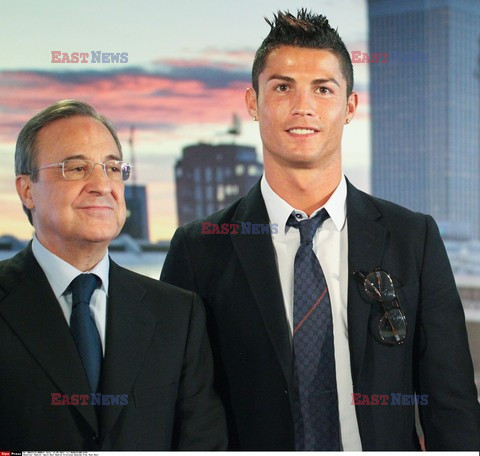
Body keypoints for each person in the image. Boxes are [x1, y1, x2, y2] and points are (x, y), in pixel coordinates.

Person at [161, 9, 480, 451]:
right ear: (252, 103)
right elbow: (183, 409)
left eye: (323, 89)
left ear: (349, 107)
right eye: (282, 87)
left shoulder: (414, 239)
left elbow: (452, 405)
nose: (303, 106)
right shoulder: (198, 251)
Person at [0, 100, 227, 451]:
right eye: (76, 168)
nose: (101, 185)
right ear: (27, 190)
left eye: (112, 168)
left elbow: (202, 444)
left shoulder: (178, 315)